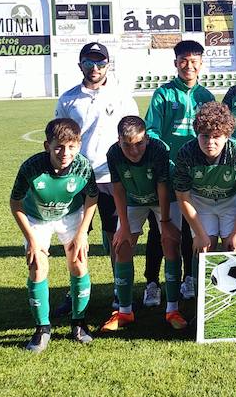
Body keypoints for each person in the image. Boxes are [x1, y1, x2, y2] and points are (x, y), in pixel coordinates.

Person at [53, 42, 147, 314]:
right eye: (89, 63)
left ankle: (119, 290)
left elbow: (134, 138)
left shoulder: (121, 96)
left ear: (109, 64)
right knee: (73, 237)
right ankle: (76, 289)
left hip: (112, 178)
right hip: (77, 178)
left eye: (100, 63)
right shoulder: (68, 98)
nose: (94, 68)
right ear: (80, 64)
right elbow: (59, 138)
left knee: (115, 237)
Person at [10, 118, 99, 353]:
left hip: (70, 217)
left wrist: (82, 233)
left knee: (79, 264)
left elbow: (92, 198)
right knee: (37, 266)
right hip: (36, 218)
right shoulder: (31, 167)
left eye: (71, 146)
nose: (64, 152)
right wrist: (30, 238)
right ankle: (42, 329)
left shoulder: (82, 167)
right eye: (58, 146)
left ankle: (78, 323)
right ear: (46, 145)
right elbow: (15, 202)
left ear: (78, 145)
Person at [145, 40, 216, 300]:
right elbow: (151, 131)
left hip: (196, 175)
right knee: (160, 229)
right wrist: (171, 158)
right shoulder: (163, 94)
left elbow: (214, 133)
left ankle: (189, 278)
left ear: (201, 64)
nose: (189, 66)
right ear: (176, 63)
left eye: (194, 61)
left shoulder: (205, 97)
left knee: (190, 228)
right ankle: (152, 282)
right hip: (168, 173)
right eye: (184, 61)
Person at [101, 116, 185, 332]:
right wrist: (125, 227)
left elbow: (163, 186)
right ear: (119, 140)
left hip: (165, 199)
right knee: (122, 245)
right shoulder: (113, 153)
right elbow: (118, 188)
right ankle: (125, 311)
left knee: (170, 242)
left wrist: (165, 222)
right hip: (134, 199)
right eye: (127, 145)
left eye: (139, 143)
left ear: (146, 138)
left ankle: (173, 310)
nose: (134, 150)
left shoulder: (158, 149)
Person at [173, 102, 236, 256]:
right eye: (205, 136)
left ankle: (235, 280)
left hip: (231, 199)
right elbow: (182, 196)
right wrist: (200, 235)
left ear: (227, 136)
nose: (210, 142)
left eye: (216, 136)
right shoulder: (186, 153)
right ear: (197, 133)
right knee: (203, 248)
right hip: (201, 200)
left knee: (234, 248)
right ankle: (196, 280)